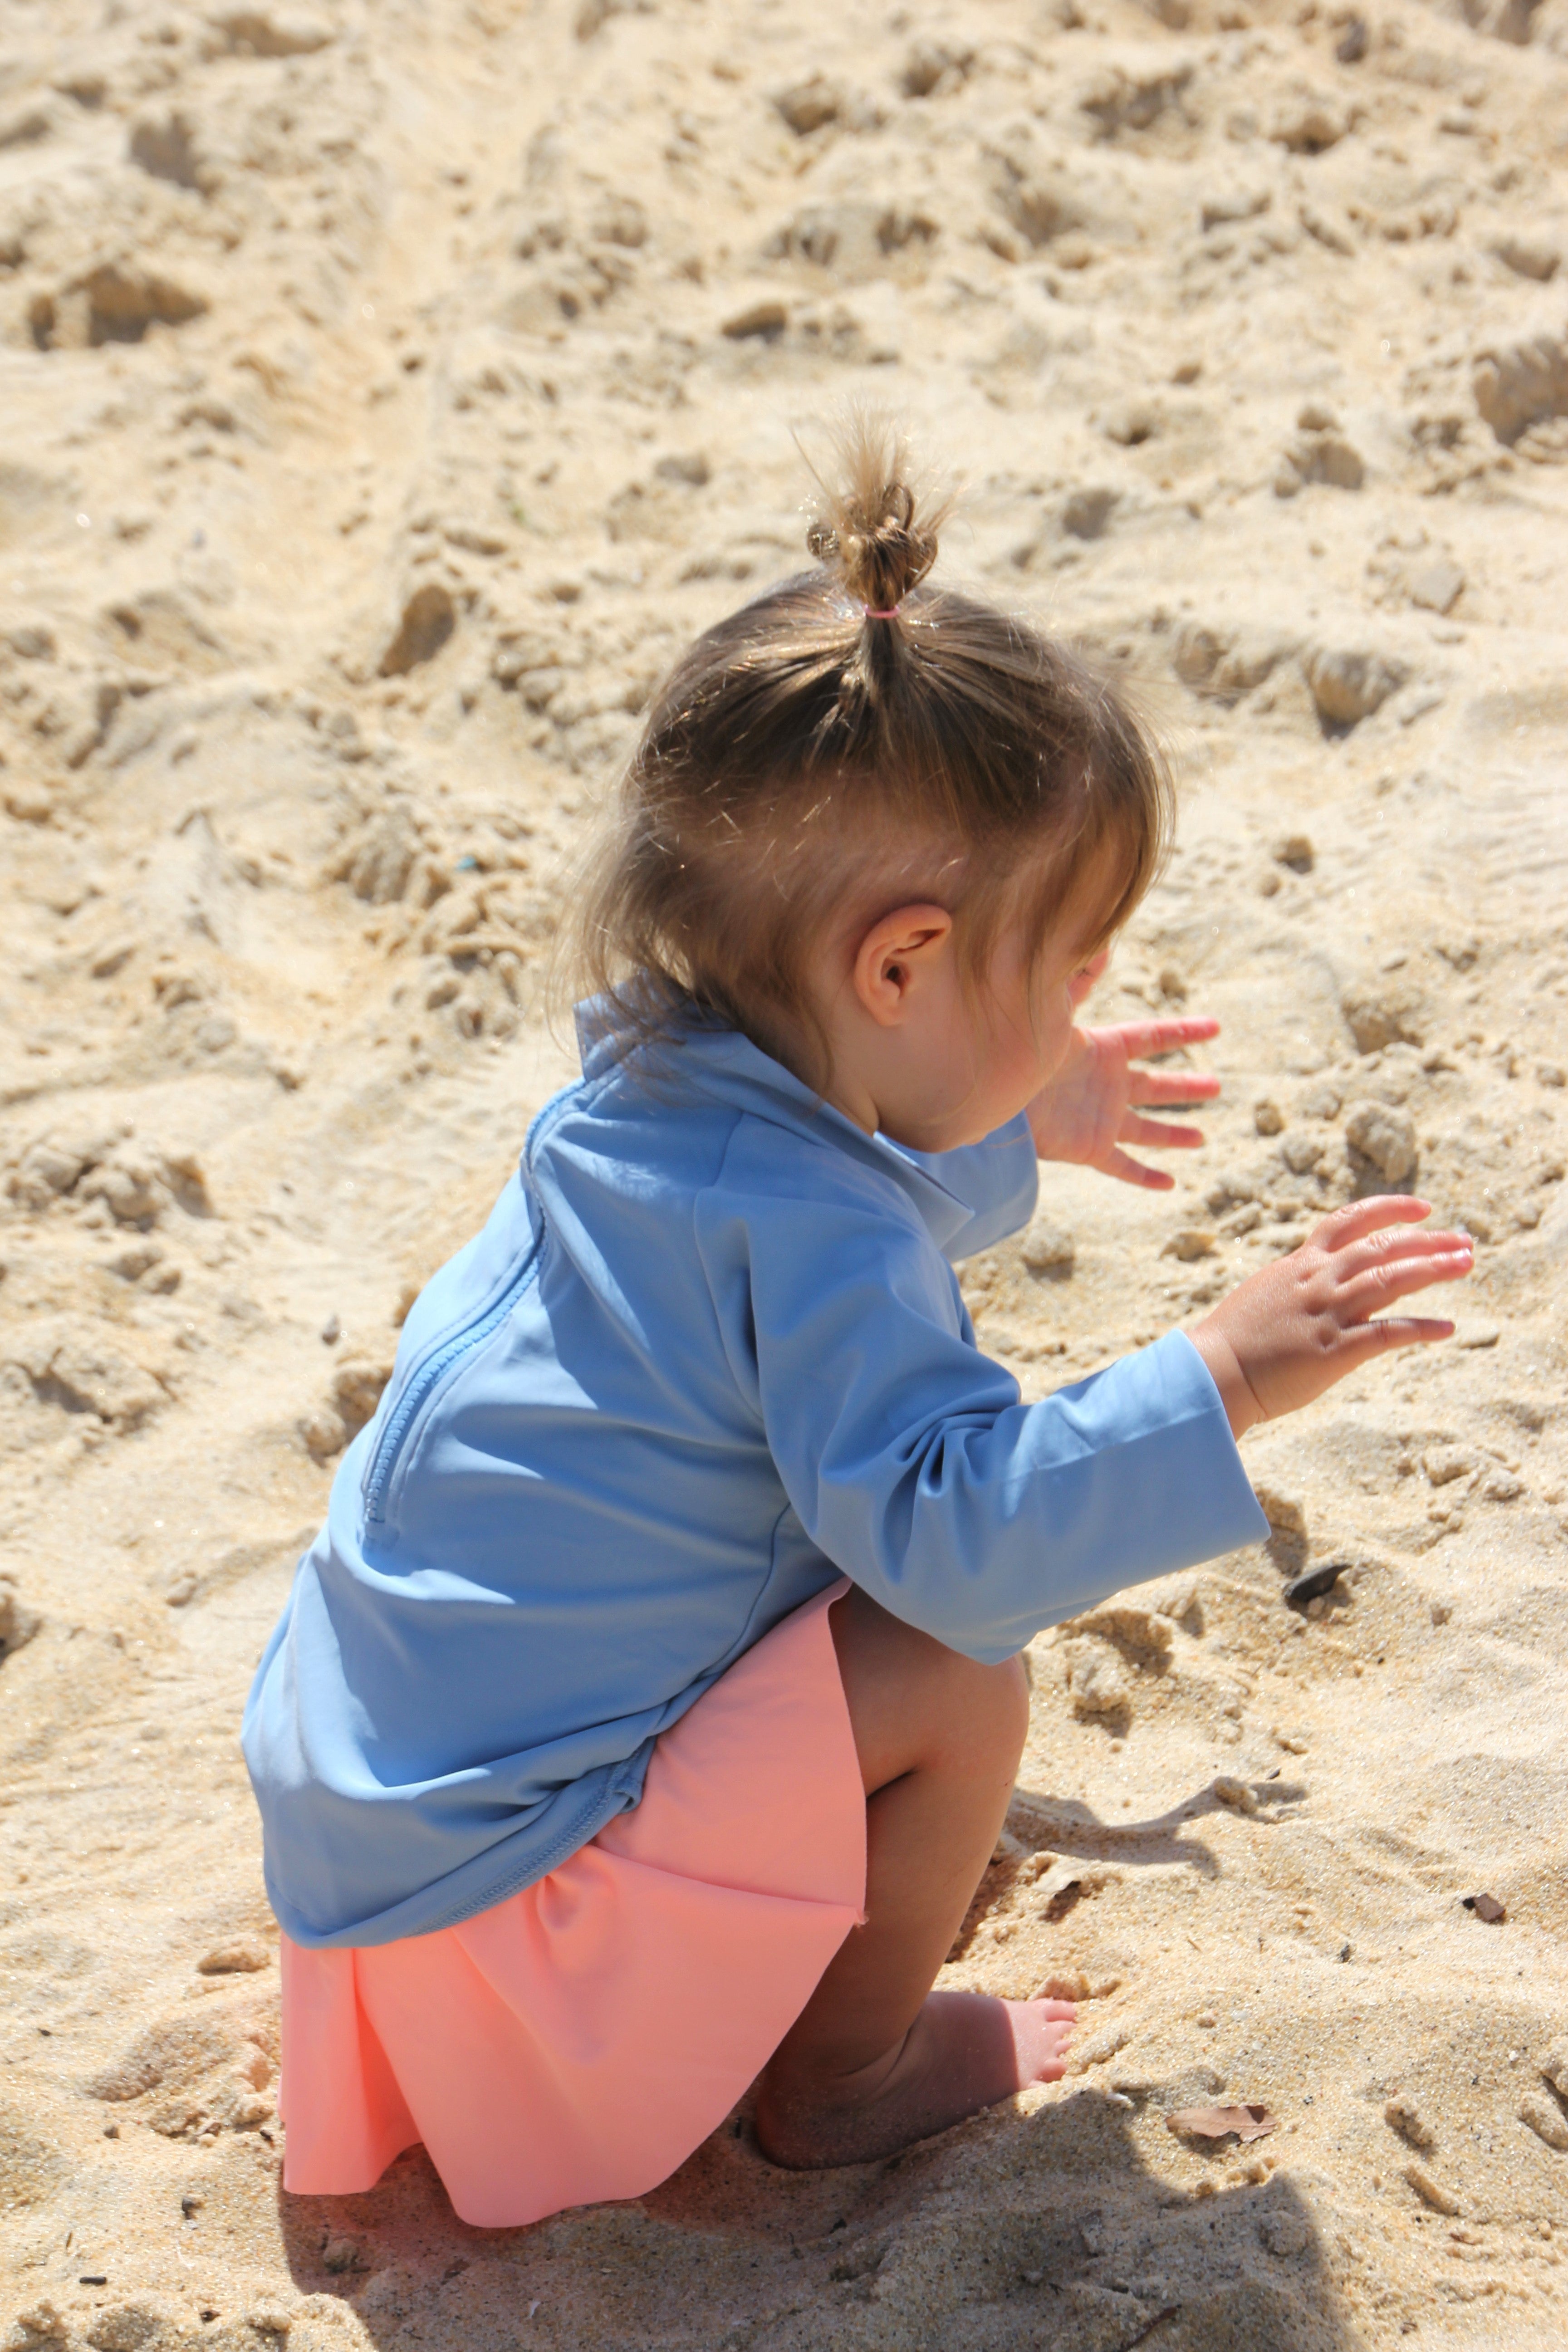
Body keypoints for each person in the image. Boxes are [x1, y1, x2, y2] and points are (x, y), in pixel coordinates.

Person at [242, 420, 1472, 2228]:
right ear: (898, 970)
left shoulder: (641, 1090)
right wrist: (1216, 1375)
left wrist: (1019, 1095)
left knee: (811, 1550)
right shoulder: (816, 1227)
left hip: (362, 1837)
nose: (1080, 1011)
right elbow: (963, 1544)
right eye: (1065, 973)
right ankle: (844, 2078)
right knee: (953, 1662)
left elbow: (819, 1183)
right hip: (516, 1937)